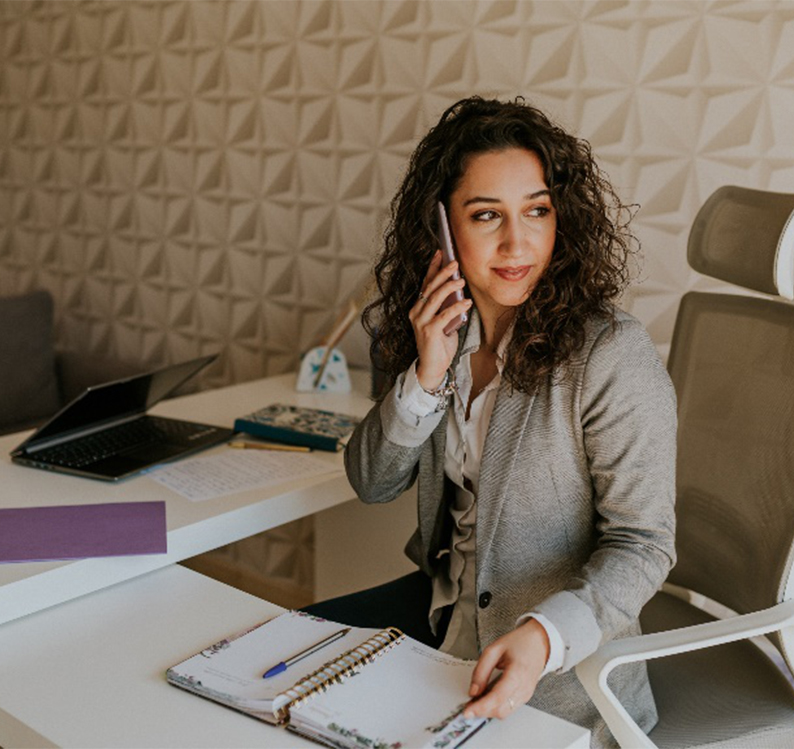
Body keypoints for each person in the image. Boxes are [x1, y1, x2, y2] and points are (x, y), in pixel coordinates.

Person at [303, 96, 677, 747]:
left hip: (558, 689)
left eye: (537, 210)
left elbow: (643, 544)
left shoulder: (609, 352)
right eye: (486, 215)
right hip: (442, 638)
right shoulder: (443, 329)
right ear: (443, 229)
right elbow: (371, 479)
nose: (517, 242)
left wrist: (543, 637)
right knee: (273, 670)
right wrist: (423, 375)